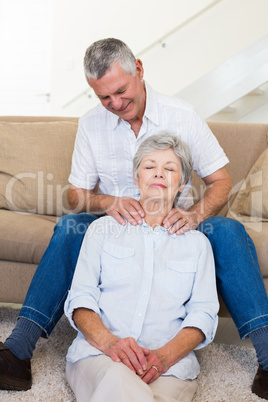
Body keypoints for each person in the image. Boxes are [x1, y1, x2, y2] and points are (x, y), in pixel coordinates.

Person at [0, 38, 267, 399]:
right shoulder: (92, 124)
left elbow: (221, 181)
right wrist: (108, 201)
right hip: (118, 225)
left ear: (139, 70)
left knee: (229, 231)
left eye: (121, 91)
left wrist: (193, 215)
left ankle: (267, 357)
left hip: (175, 222)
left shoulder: (182, 114)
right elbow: (75, 195)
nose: (115, 104)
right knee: (69, 226)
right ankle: (17, 350)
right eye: (103, 98)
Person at [64, 134, 219, 402]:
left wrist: (165, 355)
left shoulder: (198, 245)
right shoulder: (102, 230)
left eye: (169, 169)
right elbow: (80, 298)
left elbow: (203, 314)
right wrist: (111, 345)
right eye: (149, 167)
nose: (159, 173)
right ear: (136, 179)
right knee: (117, 380)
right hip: (100, 357)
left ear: (182, 184)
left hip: (168, 368)